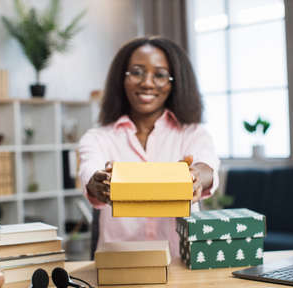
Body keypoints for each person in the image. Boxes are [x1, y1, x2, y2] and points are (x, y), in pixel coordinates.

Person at [78, 36, 220, 258]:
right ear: (121, 79)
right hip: (119, 266)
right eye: (136, 72)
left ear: (174, 82)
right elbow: (90, 173)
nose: (147, 82)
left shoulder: (193, 133)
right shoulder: (97, 138)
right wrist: (99, 183)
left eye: (160, 75)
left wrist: (195, 177)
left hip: (181, 263)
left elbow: (207, 167)